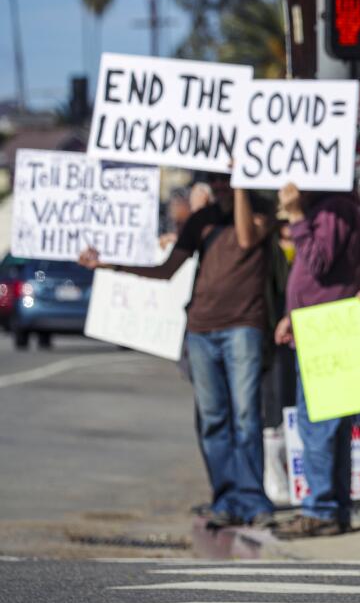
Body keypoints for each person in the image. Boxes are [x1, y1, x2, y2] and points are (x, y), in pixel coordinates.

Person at [79, 175, 276, 528]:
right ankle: (226, 499)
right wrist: (108, 265)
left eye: (225, 178)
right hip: (201, 330)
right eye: (213, 179)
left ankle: (253, 501)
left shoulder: (261, 211)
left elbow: (247, 239)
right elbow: (166, 269)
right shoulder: (201, 220)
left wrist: (242, 187)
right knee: (214, 420)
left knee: (246, 417)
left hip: (243, 327)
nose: (218, 185)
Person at [272, 183, 360, 538]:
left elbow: (318, 262)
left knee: (320, 426)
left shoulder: (334, 209)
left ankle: (322, 509)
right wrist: (291, 314)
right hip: (318, 326)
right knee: (329, 426)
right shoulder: (332, 207)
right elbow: (312, 278)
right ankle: (333, 508)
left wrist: (295, 215)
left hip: (327, 331)